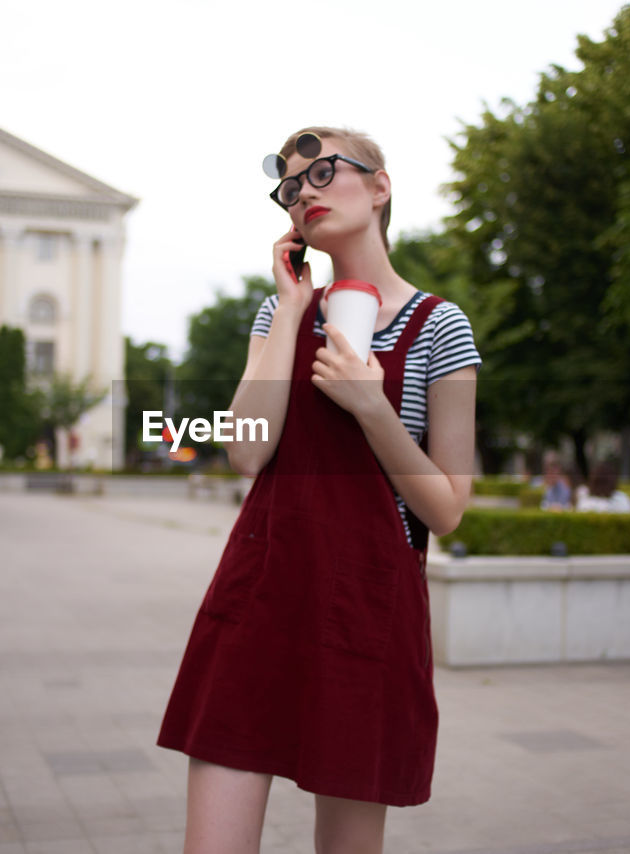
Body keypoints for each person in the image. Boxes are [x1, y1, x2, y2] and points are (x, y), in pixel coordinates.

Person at [157, 127, 481, 854]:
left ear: (380, 186)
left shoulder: (440, 327)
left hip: (365, 611)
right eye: (290, 186)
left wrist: (373, 407)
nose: (303, 192)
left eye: (323, 171)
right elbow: (245, 452)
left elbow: (447, 509)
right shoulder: (279, 315)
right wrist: (297, 308)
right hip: (261, 597)